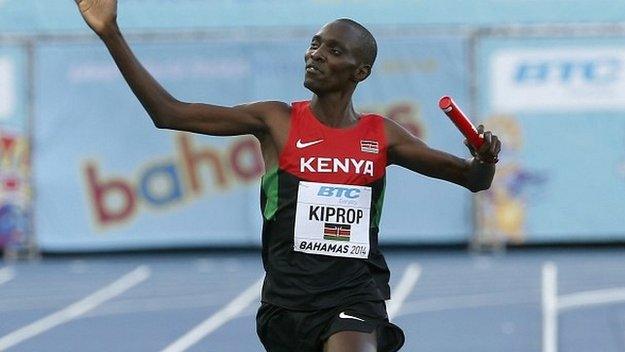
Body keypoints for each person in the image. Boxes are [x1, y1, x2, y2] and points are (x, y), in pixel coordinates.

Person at [74, 1, 501, 351]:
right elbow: (168, 114)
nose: (316, 54)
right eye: (315, 44)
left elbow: (472, 179)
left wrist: (484, 158)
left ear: (360, 71)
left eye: (334, 50)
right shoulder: (276, 121)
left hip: (354, 294)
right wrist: (110, 32)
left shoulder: (381, 135)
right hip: (286, 303)